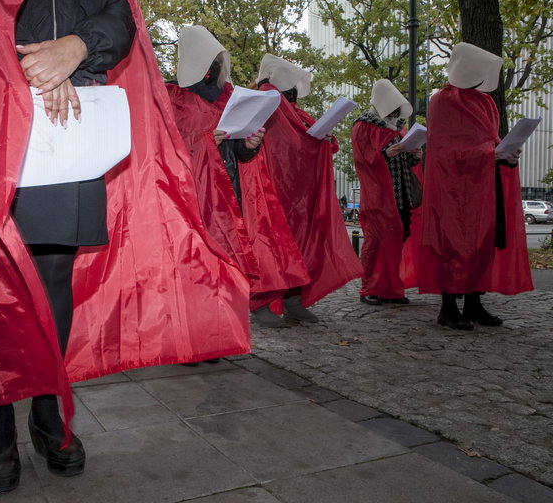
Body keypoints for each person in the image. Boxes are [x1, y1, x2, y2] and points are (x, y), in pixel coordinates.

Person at [0, 0, 251, 493]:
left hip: (68, 129)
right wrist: (28, 73)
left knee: (53, 274)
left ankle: (47, 409)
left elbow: (120, 19)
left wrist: (77, 48)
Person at [165, 27, 310, 329]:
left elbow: (239, 152)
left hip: (229, 193)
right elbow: (167, 149)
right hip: (192, 195)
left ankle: (217, 334)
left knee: (225, 265)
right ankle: (192, 334)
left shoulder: (229, 95)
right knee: (194, 263)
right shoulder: (172, 97)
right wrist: (206, 142)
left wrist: (248, 145)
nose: (215, 65)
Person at [419, 43, 532, 330]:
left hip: (483, 182)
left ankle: (473, 302)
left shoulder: (485, 103)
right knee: (453, 243)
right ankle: (448, 308)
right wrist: (489, 154)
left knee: (483, 243)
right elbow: (442, 151)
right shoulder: (442, 101)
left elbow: (488, 142)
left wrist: (506, 154)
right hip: (453, 187)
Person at [255, 54, 363, 322]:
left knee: (298, 245)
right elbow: (290, 142)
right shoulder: (267, 98)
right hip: (276, 186)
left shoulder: (292, 110)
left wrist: (325, 138)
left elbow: (318, 141)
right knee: (277, 244)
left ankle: (292, 298)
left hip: (298, 192)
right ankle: (262, 303)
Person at [351, 79, 422, 306]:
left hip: (400, 195)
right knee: (375, 241)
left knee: (396, 240)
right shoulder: (363, 125)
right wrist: (385, 154)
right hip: (379, 197)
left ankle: (391, 288)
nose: (394, 112)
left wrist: (414, 155)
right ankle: (370, 287)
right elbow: (363, 161)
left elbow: (404, 162)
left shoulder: (398, 128)